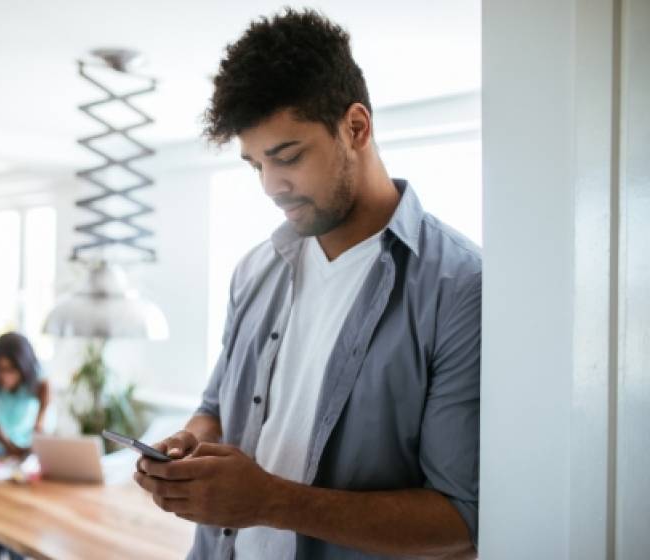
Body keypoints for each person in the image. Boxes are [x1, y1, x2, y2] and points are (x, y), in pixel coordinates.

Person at [134, 9, 481, 560]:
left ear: (356, 128)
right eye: (255, 166)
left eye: (288, 157)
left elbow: (461, 520)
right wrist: (190, 446)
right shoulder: (255, 269)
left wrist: (271, 501)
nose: (272, 186)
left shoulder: (460, 287)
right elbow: (215, 409)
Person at [0, 332, 51, 459]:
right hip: (0, 447)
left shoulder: (38, 379)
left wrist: (36, 438)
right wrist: (9, 448)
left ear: (24, 368)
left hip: (29, 446)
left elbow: (40, 420)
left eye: (11, 370)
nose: (5, 377)